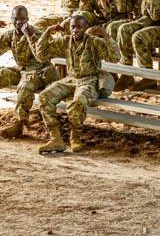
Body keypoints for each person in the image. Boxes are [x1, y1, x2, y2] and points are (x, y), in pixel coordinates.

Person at [35, 15, 121, 153]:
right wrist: (46, 33)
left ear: (85, 28)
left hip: (89, 81)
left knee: (77, 101)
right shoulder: (65, 41)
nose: (75, 30)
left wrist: (105, 35)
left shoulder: (94, 42)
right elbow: (41, 54)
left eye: (79, 27)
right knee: (44, 97)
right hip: (71, 80)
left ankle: (76, 137)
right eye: (73, 27)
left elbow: (116, 57)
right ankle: (55, 138)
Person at [0, 6, 58, 140]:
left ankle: (19, 124)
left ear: (27, 19)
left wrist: (30, 36)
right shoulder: (11, 35)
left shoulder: (37, 33)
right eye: (15, 19)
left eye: (22, 19)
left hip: (39, 71)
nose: (18, 22)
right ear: (11, 20)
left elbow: (42, 57)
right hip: (21, 69)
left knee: (25, 86)